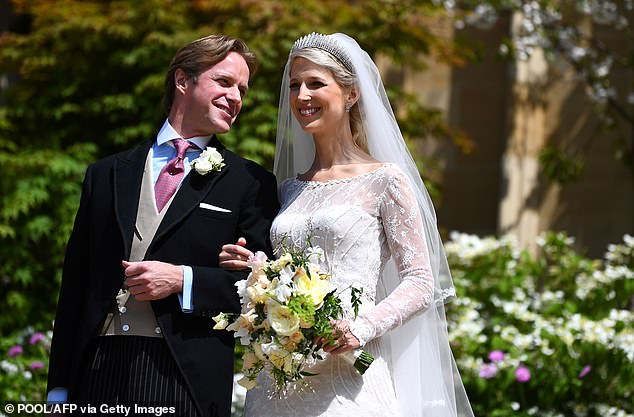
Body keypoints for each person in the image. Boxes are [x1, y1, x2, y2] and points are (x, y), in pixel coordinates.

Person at [219, 33, 474, 417]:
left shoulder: (386, 180)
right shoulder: (287, 189)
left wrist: (360, 327)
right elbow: (284, 271)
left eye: (315, 83)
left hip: (351, 378)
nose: (302, 95)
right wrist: (255, 268)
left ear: (351, 94)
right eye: (294, 85)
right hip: (279, 382)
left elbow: (421, 281)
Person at [46, 34, 279, 417]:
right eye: (224, 82)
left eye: (242, 89)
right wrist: (58, 390)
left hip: (185, 380)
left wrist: (182, 279)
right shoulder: (105, 174)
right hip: (97, 371)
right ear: (183, 81)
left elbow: (258, 292)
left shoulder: (250, 183)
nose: (236, 97)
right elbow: (75, 286)